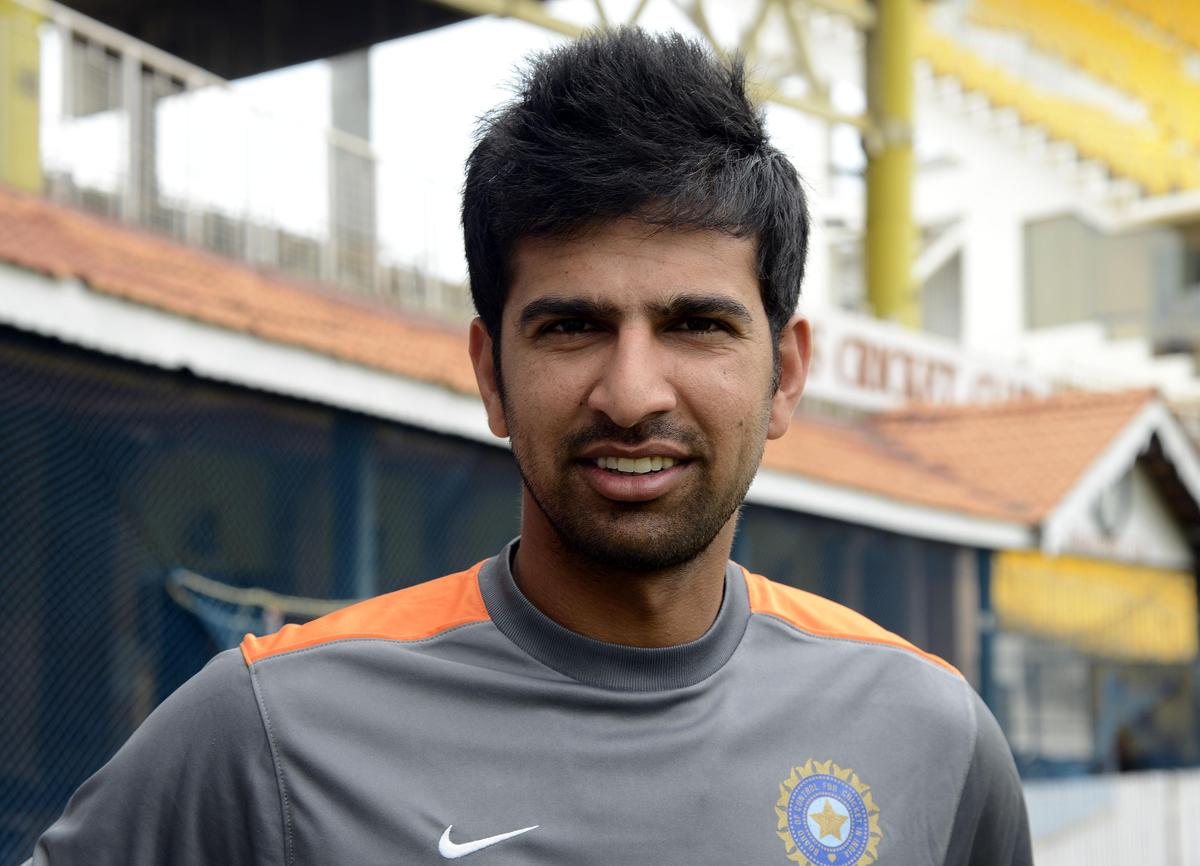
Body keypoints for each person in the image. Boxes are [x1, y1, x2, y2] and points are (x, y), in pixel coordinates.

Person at [26, 28, 1031, 866]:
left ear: (787, 373)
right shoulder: (271, 731)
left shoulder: (930, 732)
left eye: (696, 325)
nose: (632, 394)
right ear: (491, 374)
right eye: (572, 326)